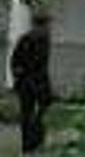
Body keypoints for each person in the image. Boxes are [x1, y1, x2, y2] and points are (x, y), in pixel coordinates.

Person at [10, 11, 54, 156]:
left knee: (40, 115)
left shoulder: (44, 39)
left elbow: (15, 62)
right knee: (28, 116)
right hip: (30, 84)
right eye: (48, 24)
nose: (49, 27)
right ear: (41, 25)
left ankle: (35, 144)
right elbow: (15, 62)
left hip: (38, 83)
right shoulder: (27, 39)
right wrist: (22, 77)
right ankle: (29, 147)